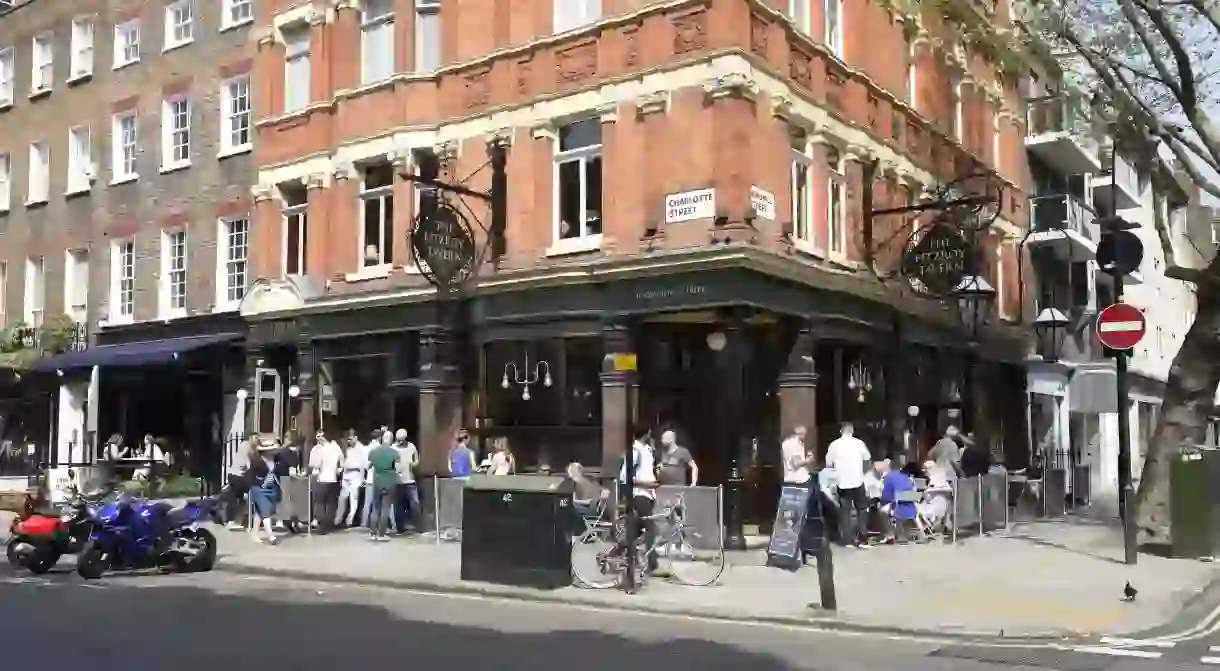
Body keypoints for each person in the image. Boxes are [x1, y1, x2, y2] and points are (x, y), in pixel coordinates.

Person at [618, 426, 659, 575]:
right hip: (639, 494)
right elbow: (625, 477)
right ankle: (652, 563)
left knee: (635, 532)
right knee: (651, 529)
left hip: (648, 495)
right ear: (647, 432)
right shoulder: (635, 450)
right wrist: (647, 484)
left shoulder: (647, 450)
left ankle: (616, 554)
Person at [824, 422, 872, 549]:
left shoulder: (834, 445)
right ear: (852, 431)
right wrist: (863, 473)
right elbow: (867, 459)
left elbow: (829, 464)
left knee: (845, 511)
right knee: (862, 509)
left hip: (842, 482)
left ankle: (847, 540)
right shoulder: (859, 443)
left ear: (841, 431)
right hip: (857, 480)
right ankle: (862, 538)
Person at [246, 438, 293, 545]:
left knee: (260, 511)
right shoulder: (256, 461)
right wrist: (262, 481)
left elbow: (283, 469)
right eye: (270, 450)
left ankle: (254, 533)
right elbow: (250, 477)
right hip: (259, 488)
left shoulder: (278, 460)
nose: (272, 452)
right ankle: (271, 536)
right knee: (265, 511)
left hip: (272, 489)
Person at [365, 432, 400, 542]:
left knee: (375, 507)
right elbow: (398, 469)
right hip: (389, 481)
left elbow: (368, 466)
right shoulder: (394, 453)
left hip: (377, 481)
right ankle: (381, 534)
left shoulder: (373, 452)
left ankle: (372, 533)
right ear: (391, 440)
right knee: (385, 508)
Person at [308, 430, 344, 534]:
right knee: (330, 503)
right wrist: (337, 472)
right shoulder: (335, 447)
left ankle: (323, 526)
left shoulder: (317, 449)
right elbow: (342, 463)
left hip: (321, 478)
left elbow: (315, 465)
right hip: (332, 479)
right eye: (317, 436)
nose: (319, 438)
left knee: (319, 503)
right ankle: (328, 525)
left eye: (320, 436)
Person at [221, 434, 255, 530]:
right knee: (236, 498)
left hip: (238, 476)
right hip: (236, 476)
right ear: (250, 438)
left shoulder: (251, 448)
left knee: (240, 498)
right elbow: (248, 461)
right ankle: (231, 520)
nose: (257, 441)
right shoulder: (245, 445)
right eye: (255, 438)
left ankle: (237, 520)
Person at [335, 430, 367, 528]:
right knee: (342, 497)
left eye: (350, 439)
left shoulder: (361, 449)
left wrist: (362, 478)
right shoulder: (348, 449)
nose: (349, 441)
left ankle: (350, 520)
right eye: (348, 439)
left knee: (353, 499)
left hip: (355, 476)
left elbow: (363, 465)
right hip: (346, 476)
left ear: (356, 438)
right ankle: (338, 519)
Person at [392, 429, 421, 535]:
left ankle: (418, 526)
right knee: (398, 505)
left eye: (402, 440)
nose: (399, 442)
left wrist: (413, 464)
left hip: (410, 480)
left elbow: (417, 460)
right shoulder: (393, 448)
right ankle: (400, 528)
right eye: (398, 440)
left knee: (415, 503)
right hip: (397, 481)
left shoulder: (411, 447)